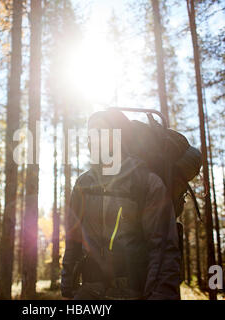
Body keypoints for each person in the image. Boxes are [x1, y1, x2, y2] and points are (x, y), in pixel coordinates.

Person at [61, 109, 181, 300]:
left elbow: (163, 248)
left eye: (101, 131)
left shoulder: (147, 182)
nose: (93, 139)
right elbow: (73, 239)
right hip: (89, 291)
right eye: (91, 133)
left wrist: (160, 295)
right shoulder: (83, 184)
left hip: (132, 292)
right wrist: (67, 287)